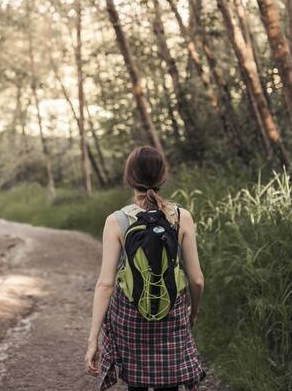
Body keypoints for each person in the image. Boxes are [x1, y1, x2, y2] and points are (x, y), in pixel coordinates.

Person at [84, 146, 206, 390]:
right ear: (162, 177)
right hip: (171, 314)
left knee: (136, 385)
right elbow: (197, 281)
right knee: (169, 383)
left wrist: (92, 339)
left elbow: (106, 284)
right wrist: (190, 315)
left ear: (130, 177)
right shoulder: (182, 217)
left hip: (129, 318)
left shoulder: (116, 220)